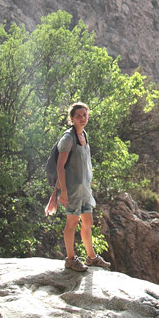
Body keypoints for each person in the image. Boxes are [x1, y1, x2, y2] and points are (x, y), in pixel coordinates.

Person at [44, 102, 111, 272]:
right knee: (72, 223)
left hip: (84, 189)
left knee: (87, 222)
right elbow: (60, 166)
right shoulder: (68, 138)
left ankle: (91, 257)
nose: (82, 118)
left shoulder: (84, 135)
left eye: (85, 115)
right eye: (78, 116)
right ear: (72, 118)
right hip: (72, 189)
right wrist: (63, 192)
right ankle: (70, 259)